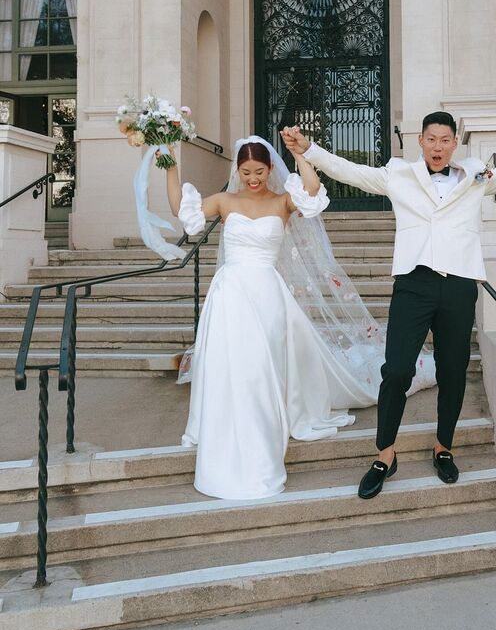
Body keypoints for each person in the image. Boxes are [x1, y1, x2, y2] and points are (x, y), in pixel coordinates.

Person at [281, 114, 496, 500]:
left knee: (452, 371)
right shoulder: (398, 174)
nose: (437, 146)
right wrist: (310, 151)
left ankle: (443, 447)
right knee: (396, 369)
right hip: (413, 284)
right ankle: (385, 454)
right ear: (420, 140)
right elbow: (351, 171)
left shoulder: (475, 175)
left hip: (459, 285)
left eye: (445, 140)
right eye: (431, 139)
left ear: (455, 143)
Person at [163, 135, 432, 501]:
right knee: (231, 368)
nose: (253, 178)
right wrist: (170, 163)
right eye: (246, 172)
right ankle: (226, 438)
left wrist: (300, 155)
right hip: (229, 296)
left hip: (269, 295)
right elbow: (183, 210)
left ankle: (262, 445)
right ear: (237, 172)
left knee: (262, 369)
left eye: (259, 171)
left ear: (270, 168)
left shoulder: (283, 201)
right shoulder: (225, 200)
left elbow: (313, 190)